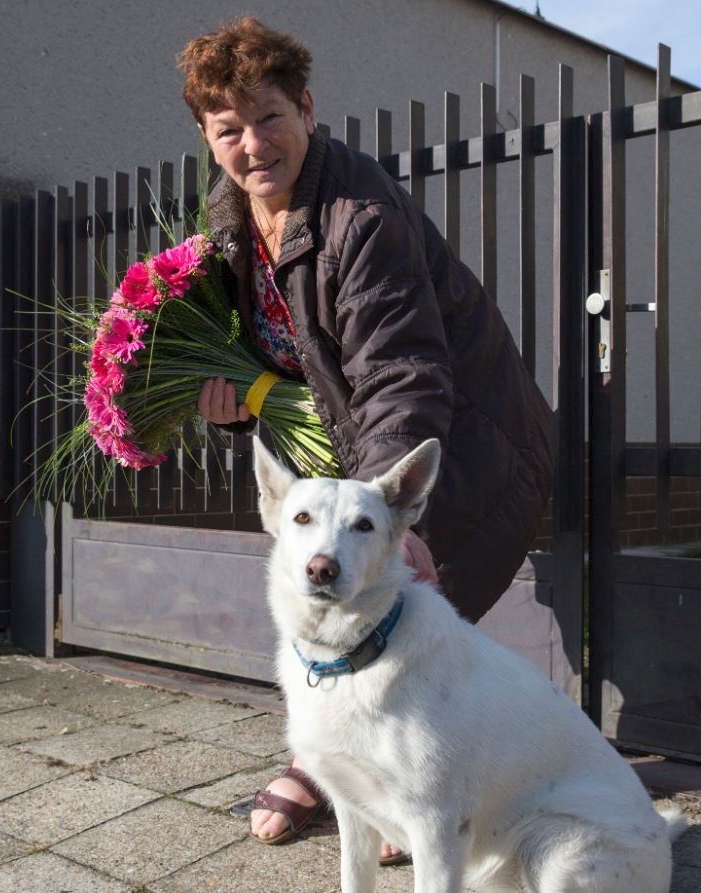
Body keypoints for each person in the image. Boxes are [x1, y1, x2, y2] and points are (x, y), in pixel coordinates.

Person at [178, 17, 553, 864]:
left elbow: (402, 369)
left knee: (399, 629)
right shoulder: (233, 215)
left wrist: (389, 509)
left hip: (456, 440)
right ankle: (346, 773)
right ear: (207, 137)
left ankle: (414, 796)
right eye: (228, 129)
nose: (253, 144)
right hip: (347, 451)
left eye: (268, 116)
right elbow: (273, 350)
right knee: (349, 630)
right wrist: (229, 402)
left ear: (306, 108)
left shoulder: (359, 215)